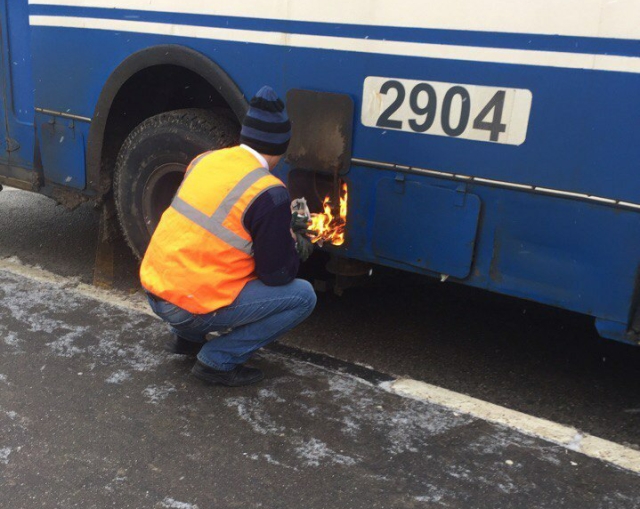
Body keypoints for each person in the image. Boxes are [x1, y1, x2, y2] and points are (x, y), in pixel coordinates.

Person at [140, 86, 316, 387]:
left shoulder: (205, 160)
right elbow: (276, 275)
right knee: (303, 297)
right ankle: (218, 361)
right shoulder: (269, 192)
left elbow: (211, 234)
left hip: (155, 290)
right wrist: (295, 244)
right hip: (187, 305)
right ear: (281, 147)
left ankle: (186, 339)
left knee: (213, 265)